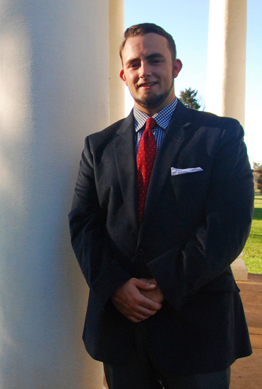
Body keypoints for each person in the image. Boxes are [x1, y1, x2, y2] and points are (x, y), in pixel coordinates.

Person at [69, 23, 254, 389]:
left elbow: (228, 225)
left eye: (155, 59)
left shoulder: (220, 136)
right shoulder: (98, 146)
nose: (145, 71)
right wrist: (116, 285)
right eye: (134, 63)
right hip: (121, 328)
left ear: (176, 66)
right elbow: (83, 223)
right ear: (123, 74)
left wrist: (165, 285)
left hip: (197, 324)